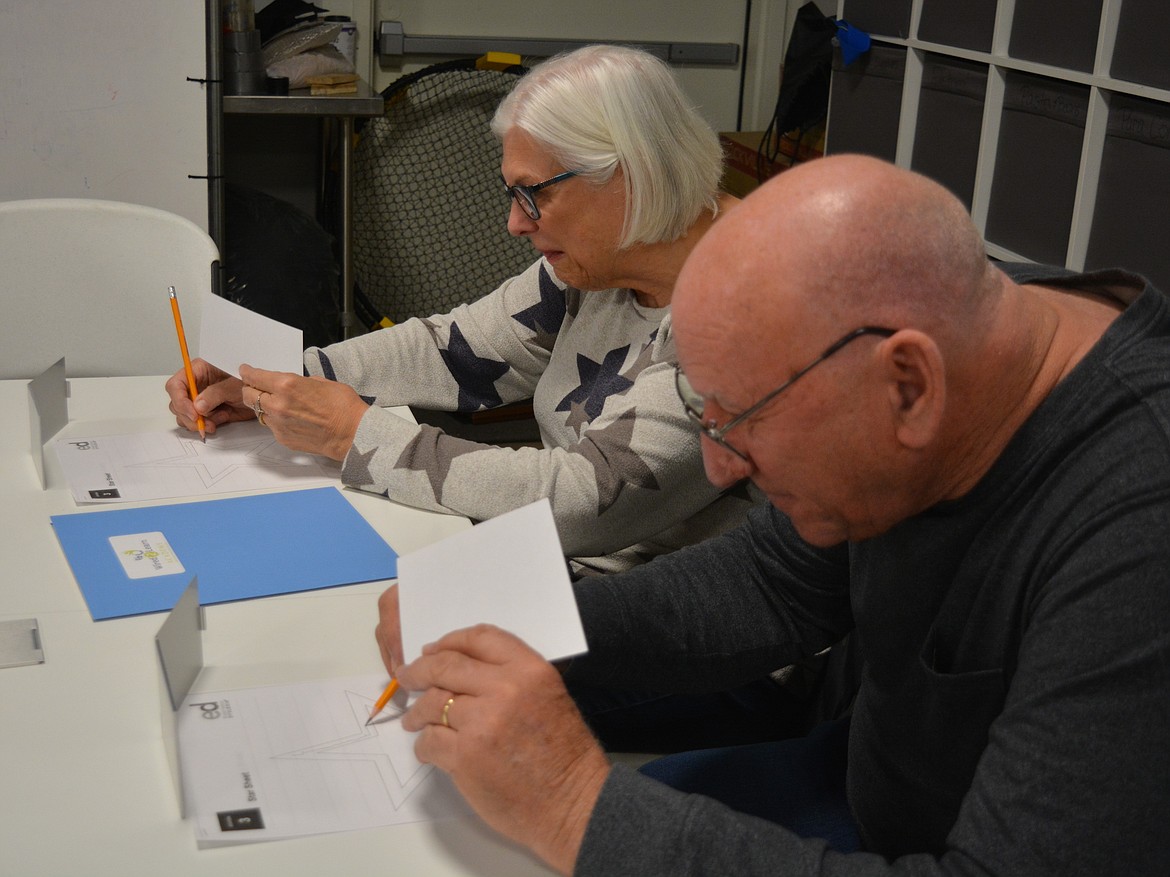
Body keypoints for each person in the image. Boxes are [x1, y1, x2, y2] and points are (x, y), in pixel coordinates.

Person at [374, 153, 1170, 875]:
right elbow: (770, 581)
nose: (719, 467)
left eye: (740, 422)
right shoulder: (964, 331)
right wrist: (519, 612)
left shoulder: (1137, 525)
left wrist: (572, 802)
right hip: (862, 780)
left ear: (911, 388)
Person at [166, 45, 755, 576]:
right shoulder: (591, 266)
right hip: (569, 571)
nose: (516, 223)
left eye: (536, 194)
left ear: (631, 173)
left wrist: (354, 436)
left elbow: (586, 500)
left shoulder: (747, 308)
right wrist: (276, 380)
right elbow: (457, 350)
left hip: (673, 623)